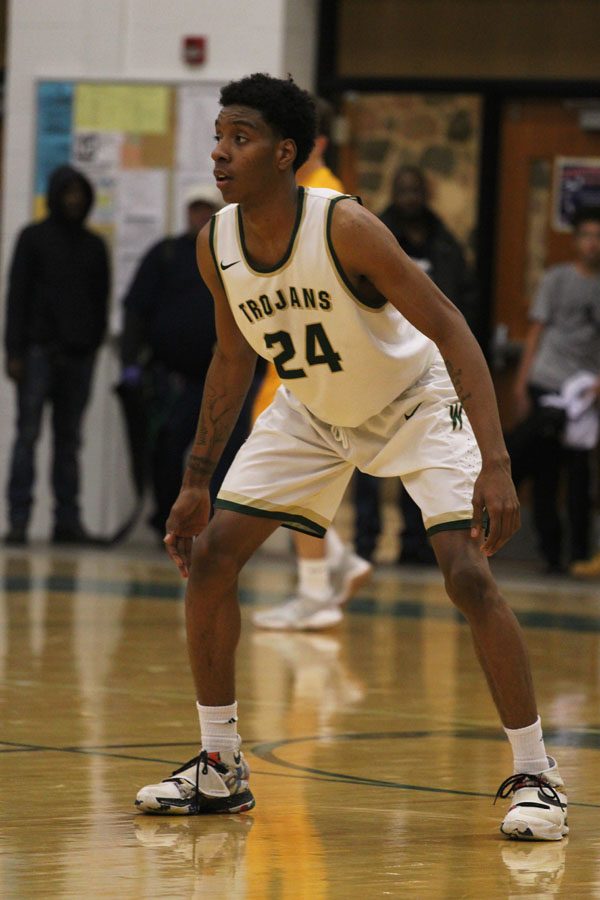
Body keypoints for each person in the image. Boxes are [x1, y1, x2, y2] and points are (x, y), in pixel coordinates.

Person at [134, 73, 568, 842]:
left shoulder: (345, 226)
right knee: (211, 560)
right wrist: (196, 480)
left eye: (241, 138)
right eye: (219, 136)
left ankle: (537, 772)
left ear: (285, 153)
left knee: (467, 575)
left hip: (415, 403)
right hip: (312, 409)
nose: (220, 153)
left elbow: (452, 326)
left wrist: (496, 461)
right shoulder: (217, 243)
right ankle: (220, 765)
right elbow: (233, 360)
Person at [251, 96, 371, 631]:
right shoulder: (299, 192)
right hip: (296, 351)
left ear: (309, 144)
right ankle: (334, 566)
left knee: (290, 470)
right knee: (289, 474)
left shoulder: (323, 195)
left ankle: (320, 585)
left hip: (312, 356)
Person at [354, 165, 478, 565]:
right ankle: (364, 541)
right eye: (402, 189)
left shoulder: (446, 244)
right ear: (393, 192)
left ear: (425, 194)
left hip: (430, 367)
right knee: (367, 454)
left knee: (421, 452)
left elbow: (462, 305)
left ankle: (414, 543)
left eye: (415, 190)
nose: (409, 196)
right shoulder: (377, 234)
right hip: (381, 359)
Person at [119, 184, 258, 537]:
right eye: (194, 209)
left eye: (206, 210)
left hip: (227, 381)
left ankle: (215, 528)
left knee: (226, 455)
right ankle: (166, 521)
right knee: (165, 449)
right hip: (174, 379)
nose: (200, 216)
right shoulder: (164, 254)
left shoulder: (236, 256)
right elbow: (135, 310)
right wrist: (129, 363)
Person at [4, 165, 110, 545]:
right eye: (67, 193)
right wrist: (12, 352)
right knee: (27, 437)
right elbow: (16, 298)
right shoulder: (32, 239)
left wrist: (93, 348)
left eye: (80, 193)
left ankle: (67, 522)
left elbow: (100, 304)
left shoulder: (94, 246)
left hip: (78, 359)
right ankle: (18, 520)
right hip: (36, 355)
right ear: (54, 195)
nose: (74, 200)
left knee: (69, 442)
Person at [509, 206, 600, 574]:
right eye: (587, 235)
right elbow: (537, 331)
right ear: (576, 240)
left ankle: (578, 553)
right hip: (545, 381)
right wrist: (520, 383)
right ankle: (550, 554)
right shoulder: (557, 279)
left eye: (599, 236)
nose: (593, 243)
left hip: (584, 394)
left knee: (579, 475)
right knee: (540, 470)